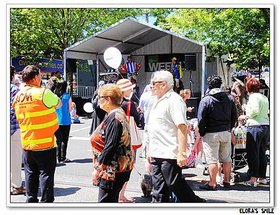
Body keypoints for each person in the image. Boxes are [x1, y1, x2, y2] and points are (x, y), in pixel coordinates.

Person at [146, 70, 205, 203]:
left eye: (153, 83)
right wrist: (150, 150)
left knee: (175, 184)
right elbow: (154, 129)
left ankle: (197, 204)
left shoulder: (174, 100)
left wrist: (182, 153)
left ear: (163, 84)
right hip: (157, 151)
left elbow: (182, 127)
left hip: (170, 152)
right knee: (158, 189)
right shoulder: (156, 100)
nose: (151, 86)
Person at [12, 65, 61, 202]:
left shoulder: (18, 96)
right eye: (39, 75)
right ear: (34, 78)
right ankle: (45, 203)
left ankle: (31, 201)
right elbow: (58, 104)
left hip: (27, 142)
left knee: (30, 174)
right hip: (45, 142)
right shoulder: (43, 93)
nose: (40, 78)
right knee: (46, 174)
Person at [90, 84, 134, 202]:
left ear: (108, 99)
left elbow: (110, 146)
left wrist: (98, 169)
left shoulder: (115, 118)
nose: (98, 100)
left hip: (112, 170)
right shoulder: (116, 113)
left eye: (100, 97)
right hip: (117, 168)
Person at [197, 75, 237, 190]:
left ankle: (212, 183)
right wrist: (229, 127)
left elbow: (201, 118)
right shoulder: (229, 98)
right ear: (220, 84)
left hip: (211, 132)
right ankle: (227, 181)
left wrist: (202, 131)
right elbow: (234, 115)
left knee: (212, 160)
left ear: (209, 85)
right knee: (227, 158)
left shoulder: (206, 99)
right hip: (226, 132)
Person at [239, 77, 269, 187]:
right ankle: (262, 177)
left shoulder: (252, 97)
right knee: (262, 152)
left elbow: (255, 110)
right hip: (265, 125)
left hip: (254, 126)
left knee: (253, 153)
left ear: (248, 87)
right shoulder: (264, 97)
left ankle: (252, 179)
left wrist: (245, 116)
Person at [116, 78, 141, 203]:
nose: (132, 90)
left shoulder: (113, 103)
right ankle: (121, 195)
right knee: (127, 167)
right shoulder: (129, 104)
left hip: (115, 138)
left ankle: (116, 194)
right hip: (128, 138)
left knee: (116, 167)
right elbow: (138, 119)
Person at [10, 65, 25, 195]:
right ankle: (16, 186)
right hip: (13, 128)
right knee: (15, 159)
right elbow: (16, 110)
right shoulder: (15, 90)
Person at [54, 81, 73, 163]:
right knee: (64, 140)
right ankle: (62, 157)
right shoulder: (67, 96)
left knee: (57, 139)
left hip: (56, 120)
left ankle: (57, 156)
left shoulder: (55, 96)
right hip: (65, 120)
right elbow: (70, 108)